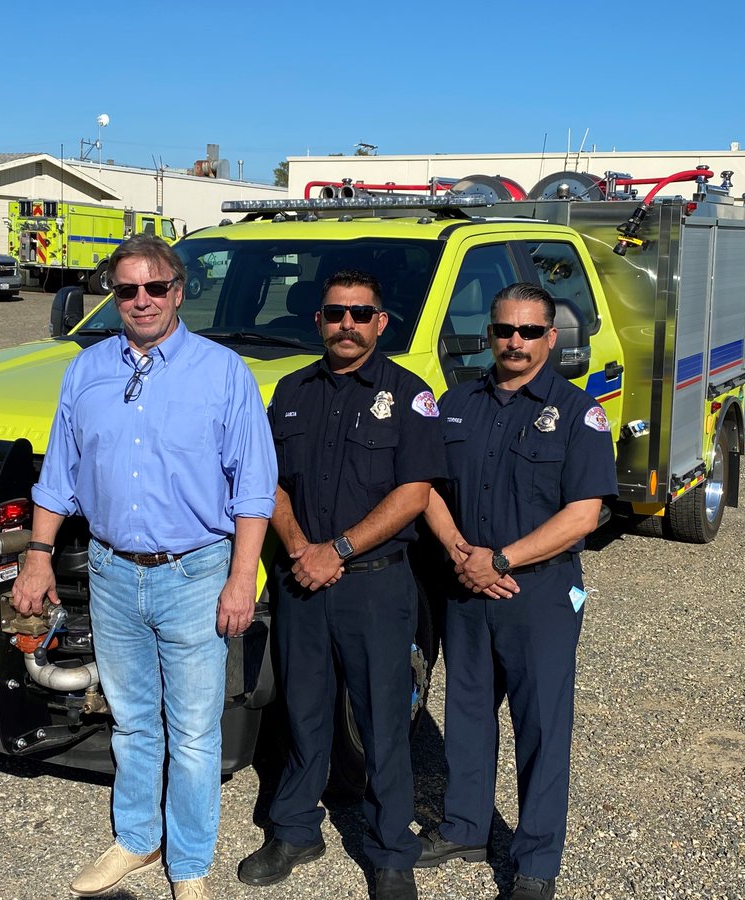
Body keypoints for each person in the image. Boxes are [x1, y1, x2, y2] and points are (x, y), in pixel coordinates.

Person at [11, 234, 277, 900]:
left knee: (192, 731)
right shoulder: (87, 370)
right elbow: (59, 476)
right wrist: (38, 557)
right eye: (126, 290)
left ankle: (188, 866)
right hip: (111, 571)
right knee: (131, 720)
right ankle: (137, 839)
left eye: (155, 287)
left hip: (195, 572)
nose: (141, 301)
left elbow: (253, 489)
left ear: (179, 291)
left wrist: (242, 578)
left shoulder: (222, 373)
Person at [237, 269, 445, 900]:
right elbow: (264, 478)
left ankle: (389, 852)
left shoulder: (410, 396)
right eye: (335, 314)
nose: (347, 325)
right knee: (301, 712)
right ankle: (296, 829)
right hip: (302, 580)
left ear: (381, 323)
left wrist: (341, 549)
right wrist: (301, 547)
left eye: (360, 314)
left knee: (383, 722)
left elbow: (415, 493)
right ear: (320, 320)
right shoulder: (292, 390)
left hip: (374, 588)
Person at [417, 282, 617, 900]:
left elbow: (584, 514)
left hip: (539, 595)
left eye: (530, 332)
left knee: (541, 727)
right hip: (468, 587)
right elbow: (426, 486)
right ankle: (466, 827)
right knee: (469, 714)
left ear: (551, 338)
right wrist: (461, 554)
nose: (515, 342)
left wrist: (500, 558)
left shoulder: (577, 413)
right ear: (490, 334)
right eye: (505, 330)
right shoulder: (457, 405)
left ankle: (535, 864)